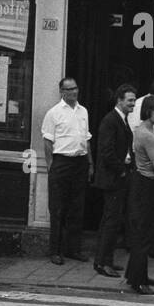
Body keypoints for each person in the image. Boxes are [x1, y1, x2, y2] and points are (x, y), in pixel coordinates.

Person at [41, 77, 93, 264]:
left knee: (76, 208)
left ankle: (73, 249)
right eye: (69, 89)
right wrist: (50, 165)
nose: (74, 92)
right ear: (62, 91)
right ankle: (55, 250)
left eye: (76, 88)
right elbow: (47, 141)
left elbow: (86, 139)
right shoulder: (53, 113)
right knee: (57, 208)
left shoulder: (83, 111)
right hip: (61, 162)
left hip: (79, 162)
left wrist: (90, 163)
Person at [125, 95, 154, 294]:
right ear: (148, 111)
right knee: (143, 233)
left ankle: (135, 274)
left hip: (143, 182)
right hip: (146, 185)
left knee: (142, 231)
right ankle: (139, 281)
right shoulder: (147, 135)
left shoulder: (146, 130)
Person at [92, 84, 136, 277]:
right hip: (113, 178)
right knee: (111, 221)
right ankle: (103, 263)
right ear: (119, 100)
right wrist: (122, 170)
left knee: (111, 220)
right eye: (130, 100)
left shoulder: (122, 120)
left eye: (134, 100)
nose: (133, 104)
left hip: (117, 177)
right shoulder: (110, 121)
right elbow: (107, 152)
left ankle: (105, 259)